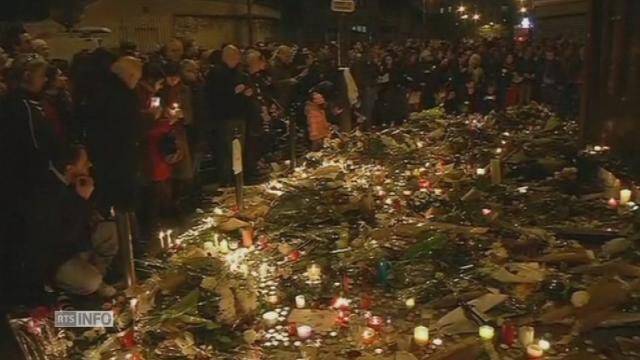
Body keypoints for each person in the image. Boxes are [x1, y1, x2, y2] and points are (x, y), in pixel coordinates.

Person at [27, 145, 118, 297]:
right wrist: (81, 200)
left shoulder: (72, 183)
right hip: (56, 258)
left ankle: (98, 279)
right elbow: (63, 234)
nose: (90, 165)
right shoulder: (46, 191)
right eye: (84, 163)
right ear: (70, 167)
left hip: (75, 244)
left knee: (107, 230)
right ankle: (88, 284)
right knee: (90, 281)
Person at [87, 56, 144, 213]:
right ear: (130, 75)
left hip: (105, 155)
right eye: (137, 78)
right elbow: (128, 125)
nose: (136, 83)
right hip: (119, 156)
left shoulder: (100, 88)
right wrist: (149, 118)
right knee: (123, 200)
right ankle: (125, 233)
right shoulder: (121, 95)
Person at [204, 45, 252, 185]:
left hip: (240, 116)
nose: (237, 58)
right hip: (224, 118)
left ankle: (238, 181)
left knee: (238, 151)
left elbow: (247, 86)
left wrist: (247, 92)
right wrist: (233, 91)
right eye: (234, 55)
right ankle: (227, 182)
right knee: (226, 151)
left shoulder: (240, 73)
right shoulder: (216, 73)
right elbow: (214, 97)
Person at [41, 65, 72, 143]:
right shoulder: (43, 101)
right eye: (60, 76)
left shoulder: (64, 96)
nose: (65, 78)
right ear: (52, 81)